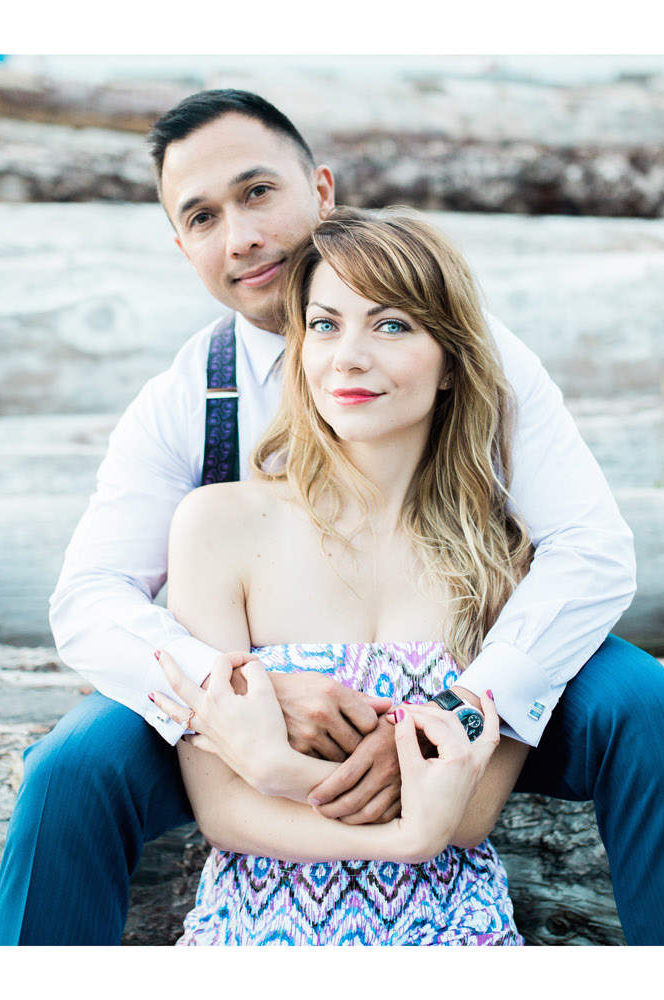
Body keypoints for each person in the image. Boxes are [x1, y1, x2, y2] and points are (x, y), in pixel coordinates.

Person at [0, 89, 664, 946]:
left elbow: (590, 547)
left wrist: (467, 710)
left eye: (257, 193)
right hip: (242, 683)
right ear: (182, 246)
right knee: (70, 769)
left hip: (471, 643)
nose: (238, 235)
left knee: (651, 709)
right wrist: (247, 693)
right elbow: (89, 598)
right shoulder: (185, 399)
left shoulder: (474, 352)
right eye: (202, 217)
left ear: (322, 190)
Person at [150, 208, 529, 944]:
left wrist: (280, 770)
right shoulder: (218, 526)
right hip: (260, 933)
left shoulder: (504, 557)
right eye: (324, 325)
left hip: (452, 932)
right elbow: (224, 810)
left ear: (451, 362)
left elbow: (471, 813)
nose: (347, 357)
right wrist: (400, 840)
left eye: (391, 325)